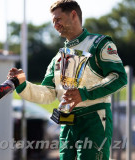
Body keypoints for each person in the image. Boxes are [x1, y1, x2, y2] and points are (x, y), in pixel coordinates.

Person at [8, 0, 127, 159]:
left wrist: (84, 93)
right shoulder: (57, 58)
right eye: (53, 21)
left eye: (58, 19)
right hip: (66, 121)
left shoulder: (99, 44)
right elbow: (48, 93)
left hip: (93, 119)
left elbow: (119, 77)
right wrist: (22, 84)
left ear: (73, 15)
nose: (55, 25)